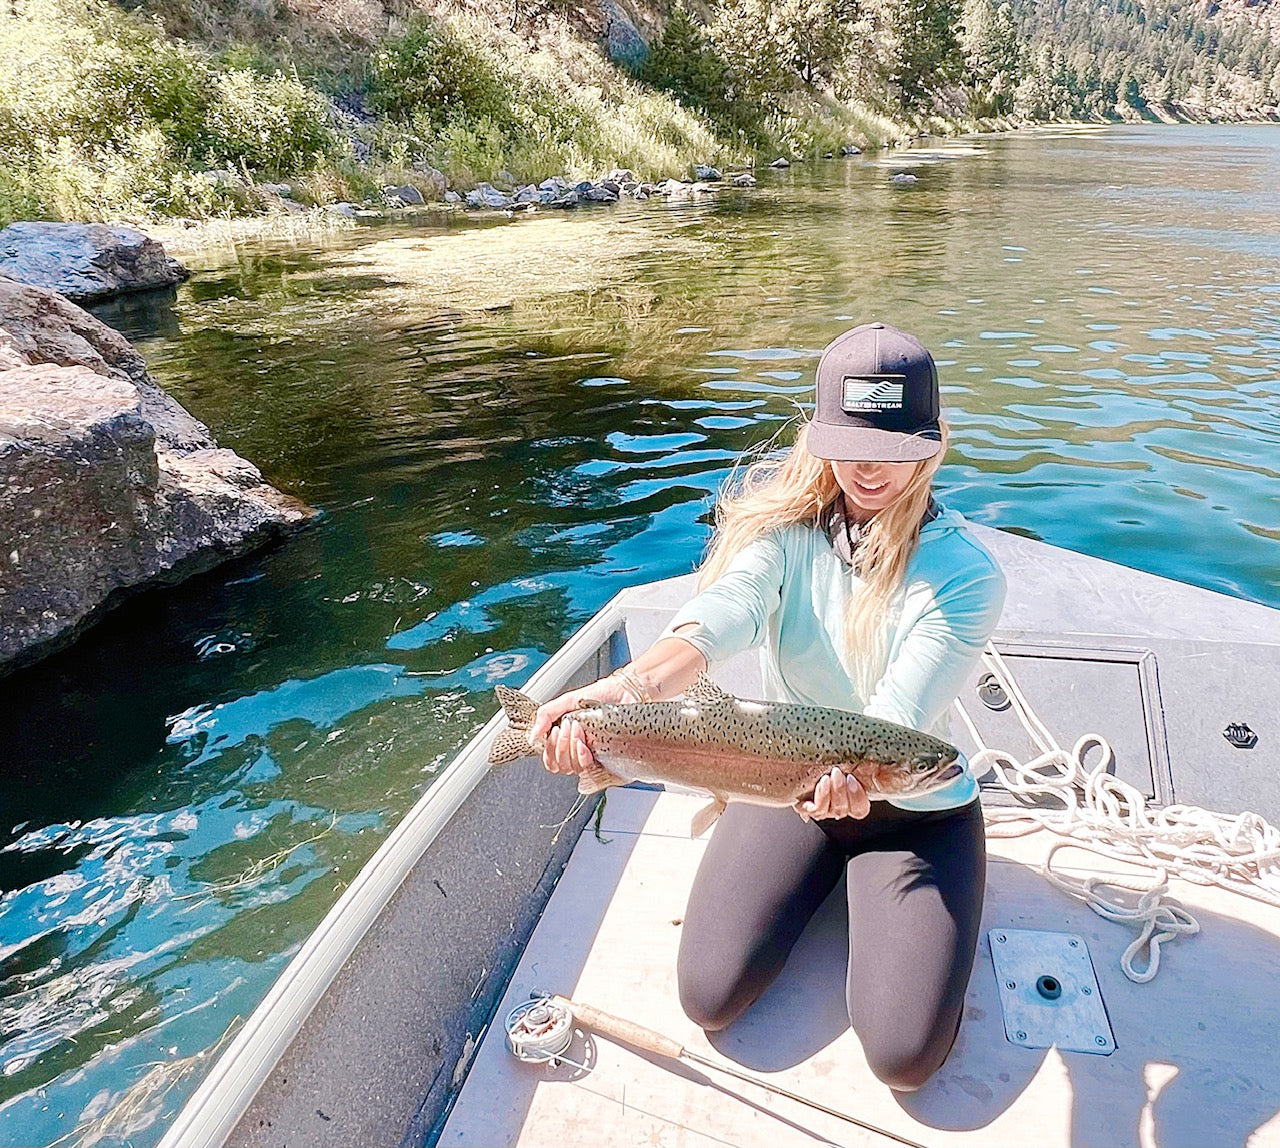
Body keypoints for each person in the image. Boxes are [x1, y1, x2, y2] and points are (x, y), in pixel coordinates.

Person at [527, 321, 1006, 1092]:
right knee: (708, 996)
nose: (868, 469)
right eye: (849, 445)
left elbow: (897, 716)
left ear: (933, 441)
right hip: (781, 787)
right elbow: (718, 619)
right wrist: (620, 692)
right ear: (817, 436)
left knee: (903, 1058)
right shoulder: (783, 537)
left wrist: (857, 776)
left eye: (894, 450)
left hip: (917, 809)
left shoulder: (966, 574)